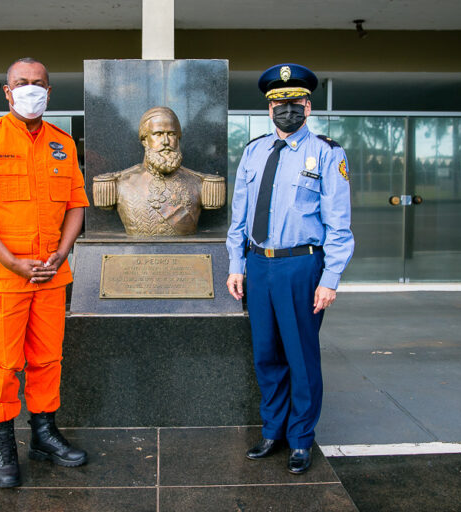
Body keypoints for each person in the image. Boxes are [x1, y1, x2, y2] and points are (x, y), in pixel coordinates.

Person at [0, 57, 90, 488]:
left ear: (50, 92)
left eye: (39, 83)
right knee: (4, 365)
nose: (31, 89)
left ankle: (44, 435)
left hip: (50, 275)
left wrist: (61, 254)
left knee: (47, 360)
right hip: (3, 278)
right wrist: (12, 262)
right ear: (7, 92)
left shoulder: (62, 143)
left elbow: (76, 206)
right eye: (22, 83)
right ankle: (5, 447)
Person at [226, 63, 354, 475]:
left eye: (294, 103)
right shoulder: (253, 152)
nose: (287, 111)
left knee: (301, 356)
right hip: (258, 266)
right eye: (279, 104)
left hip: (302, 265)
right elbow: (240, 216)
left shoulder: (328, 153)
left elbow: (339, 224)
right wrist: (236, 265)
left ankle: (301, 439)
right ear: (268, 110)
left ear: (308, 106)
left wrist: (330, 279)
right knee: (266, 355)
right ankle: (273, 431)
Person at [92, 106, 225, 236]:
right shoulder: (119, 183)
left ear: (178, 139)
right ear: (145, 140)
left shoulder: (200, 183)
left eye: (171, 134)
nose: (166, 141)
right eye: (158, 134)